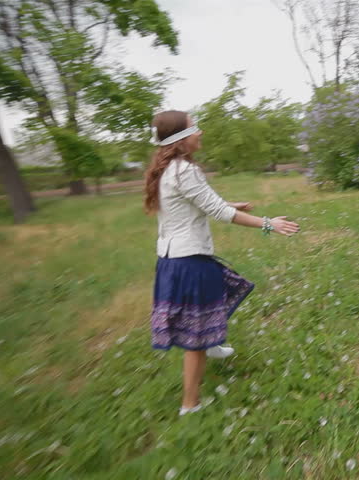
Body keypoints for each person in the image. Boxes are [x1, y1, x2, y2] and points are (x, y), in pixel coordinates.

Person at [143, 110, 299, 416]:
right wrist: (268, 224)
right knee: (195, 339)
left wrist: (228, 203)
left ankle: (213, 341)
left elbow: (197, 202)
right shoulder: (184, 171)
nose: (200, 133)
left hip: (173, 261)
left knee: (224, 289)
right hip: (188, 263)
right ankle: (190, 404)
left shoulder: (169, 169)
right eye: (194, 128)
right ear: (180, 138)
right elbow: (219, 213)